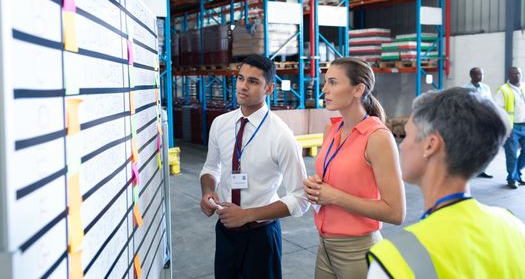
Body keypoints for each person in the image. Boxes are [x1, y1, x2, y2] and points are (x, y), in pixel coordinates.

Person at [367, 87, 525, 278]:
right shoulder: (514, 227)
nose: (402, 145)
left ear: (430, 145)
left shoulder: (395, 257)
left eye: (407, 135)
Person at [199, 54, 309, 279]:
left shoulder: (281, 136)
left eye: (253, 81)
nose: (243, 86)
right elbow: (211, 168)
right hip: (226, 231)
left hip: (261, 235)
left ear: (269, 89)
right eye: (240, 78)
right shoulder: (221, 124)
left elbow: (301, 198)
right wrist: (208, 191)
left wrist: (247, 215)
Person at [303, 57, 406, 279]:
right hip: (324, 247)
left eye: (333, 82)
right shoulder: (331, 129)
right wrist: (316, 188)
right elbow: (335, 181)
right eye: (325, 82)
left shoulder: (377, 137)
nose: (325, 89)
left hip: (358, 251)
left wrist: (335, 196)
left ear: (358, 89)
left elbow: (396, 212)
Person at [495, 66, 525, 189]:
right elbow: (498, 111)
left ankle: (516, 174)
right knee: (512, 154)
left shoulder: (524, 86)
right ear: (509, 76)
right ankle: (512, 179)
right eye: (514, 74)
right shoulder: (503, 90)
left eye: (519, 73)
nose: (517, 76)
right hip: (512, 128)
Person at [464, 66, 494, 178]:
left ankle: (482, 169)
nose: (481, 76)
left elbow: (490, 102)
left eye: (482, 74)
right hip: (471, 121)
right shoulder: (465, 89)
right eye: (479, 74)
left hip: (484, 120)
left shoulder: (486, 88)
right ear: (472, 75)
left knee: (484, 146)